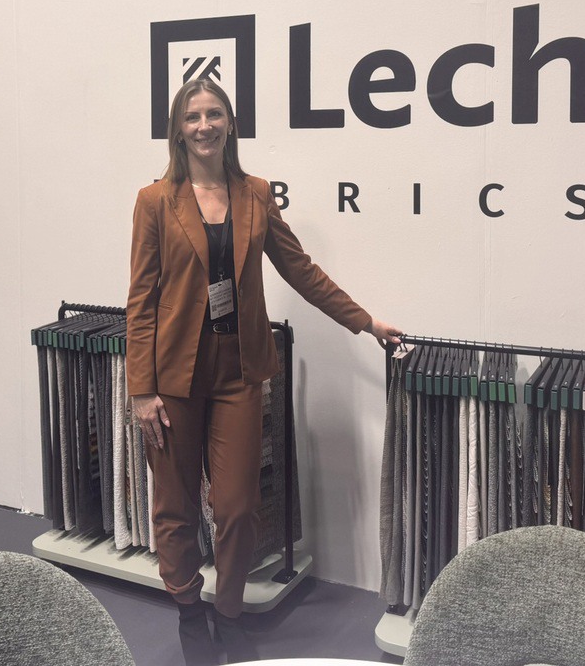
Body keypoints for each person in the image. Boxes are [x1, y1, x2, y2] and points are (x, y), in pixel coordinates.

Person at [126, 78, 402, 665]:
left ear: (231, 123)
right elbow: (141, 299)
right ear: (178, 129)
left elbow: (300, 269)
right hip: (173, 377)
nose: (205, 125)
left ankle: (228, 613)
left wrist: (365, 322)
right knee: (175, 505)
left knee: (237, 507)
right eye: (193, 117)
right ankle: (189, 611)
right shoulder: (154, 200)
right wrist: (141, 388)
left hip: (239, 372)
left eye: (215, 114)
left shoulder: (255, 193)